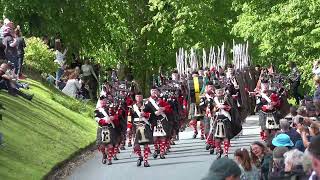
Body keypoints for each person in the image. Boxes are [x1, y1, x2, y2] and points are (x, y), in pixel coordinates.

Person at [130, 92, 153, 167]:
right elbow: (129, 118)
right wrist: (128, 128)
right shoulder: (132, 107)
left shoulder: (146, 105)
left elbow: (151, 114)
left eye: (140, 96)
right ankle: (140, 157)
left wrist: (145, 114)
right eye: (137, 96)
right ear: (135, 98)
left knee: (145, 144)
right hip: (136, 126)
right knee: (136, 145)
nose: (139, 98)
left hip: (145, 126)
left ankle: (146, 161)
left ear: (142, 97)